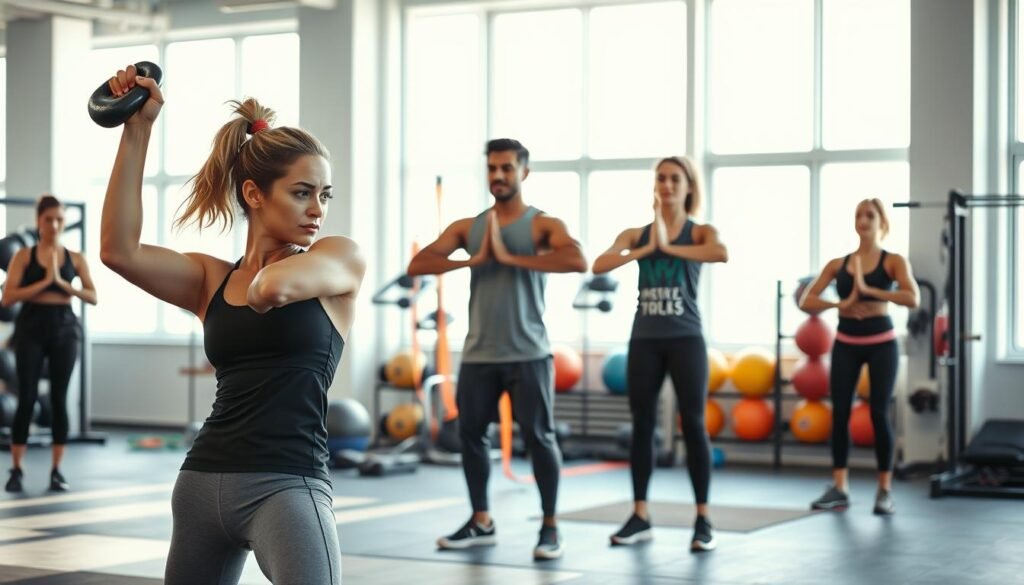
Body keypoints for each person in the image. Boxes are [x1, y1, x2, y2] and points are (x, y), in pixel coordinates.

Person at [99, 65, 365, 584]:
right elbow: (117, 251)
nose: (318, 211)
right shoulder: (209, 279)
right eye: (302, 192)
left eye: (325, 195)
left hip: (287, 487)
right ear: (254, 194)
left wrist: (264, 272)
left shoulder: (340, 259)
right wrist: (137, 127)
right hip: (201, 484)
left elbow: (272, 289)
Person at [407, 138, 587, 560]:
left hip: (529, 353)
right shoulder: (470, 228)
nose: (499, 176)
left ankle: (550, 527)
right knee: (470, 436)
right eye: (492, 168)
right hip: (480, 354)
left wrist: (509, 257)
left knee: (540, 438)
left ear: (524, 172)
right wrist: (470, 262)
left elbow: (577, 260)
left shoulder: (542, 225)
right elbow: (418, 265)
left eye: (507, 168)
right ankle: (481, 520)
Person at [592, 156, 728, 552]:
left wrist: (670, 247)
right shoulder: (637, 234)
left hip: (686, 339)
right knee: (641, 425)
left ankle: (703, 518)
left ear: (688, 187)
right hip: (645, 340)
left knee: (696, 425)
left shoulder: (701, 232)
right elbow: (600, 263)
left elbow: (720, 253)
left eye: (674, 179)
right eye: (661, 178)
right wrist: (648, 248)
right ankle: (640, 515)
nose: (666, 185)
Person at [800, 198, 919, 516]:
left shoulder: (893, 262)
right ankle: (840, 488)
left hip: (881, 343)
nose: (863, 220)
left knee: (879, 413)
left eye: (870, 215)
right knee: (840, 413)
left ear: (882, 223)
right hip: (846, 342)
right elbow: (806, 300)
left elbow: (912, 297)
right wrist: (840, 304)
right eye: (858, 215)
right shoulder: (838, 265)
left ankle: (884, 491)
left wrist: (873, 292)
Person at [3, 195, 97, 493]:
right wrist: (45, 283)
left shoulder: (76, 258)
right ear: (38, 221)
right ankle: (16, 469)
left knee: (59, 398)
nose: (54, 225)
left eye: (59, 219)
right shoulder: (23, 257)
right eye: (48, 219)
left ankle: (57, 471)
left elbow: (93, 296)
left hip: (65, 328)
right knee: (27, 395)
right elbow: (7, 298)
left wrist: (64, 284)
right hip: (31, 326)